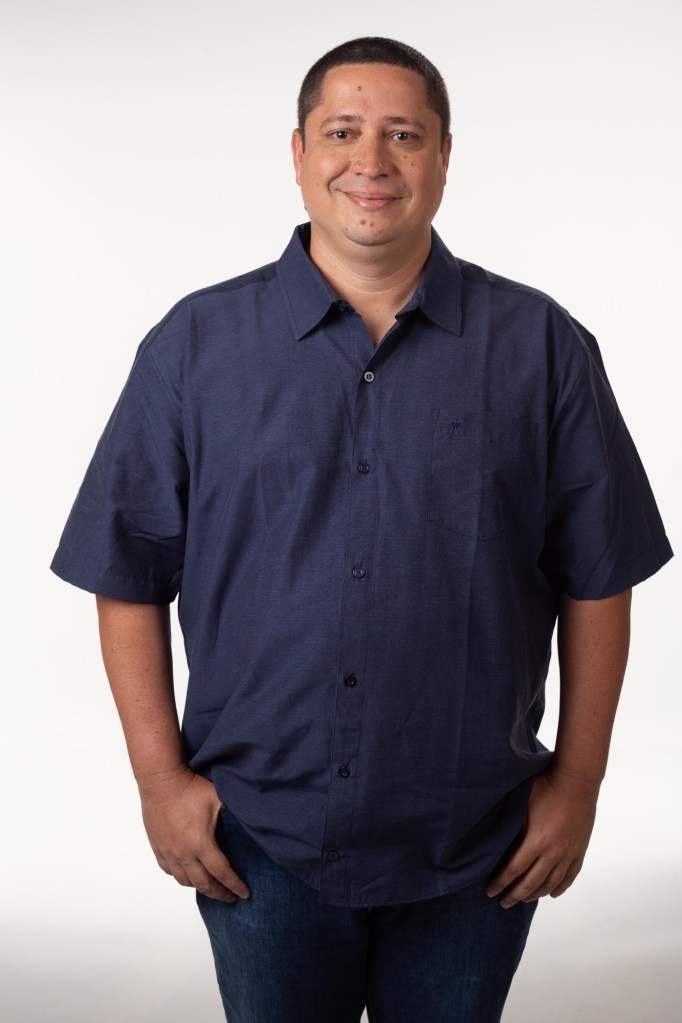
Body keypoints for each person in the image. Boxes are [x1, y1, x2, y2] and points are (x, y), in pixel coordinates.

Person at [51, 36, 672, 1023]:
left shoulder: (542, 346)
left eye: (404, 135)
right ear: (299, 153)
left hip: (479, 838)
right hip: (260, 838)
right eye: (342, 132)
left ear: (444, 155)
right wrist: (159, 781)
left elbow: (598, 574)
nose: (371, 160)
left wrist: (579, 784)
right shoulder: (193, 347)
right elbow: (125, 571)